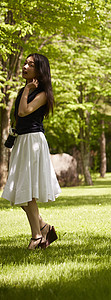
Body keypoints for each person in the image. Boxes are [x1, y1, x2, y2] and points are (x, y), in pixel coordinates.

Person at [1, 53, 61, 250]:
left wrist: (27, 89)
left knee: (27, 192)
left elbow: (23, 111)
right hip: (22, 141)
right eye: (25, 63)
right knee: (19, 189)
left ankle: (37, 236)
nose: (25, 66)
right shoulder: (25, 89)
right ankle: (44, 227)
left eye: (30, 64)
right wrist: (26, 89)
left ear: (40, 70)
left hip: (33, 142)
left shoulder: (42, 93)